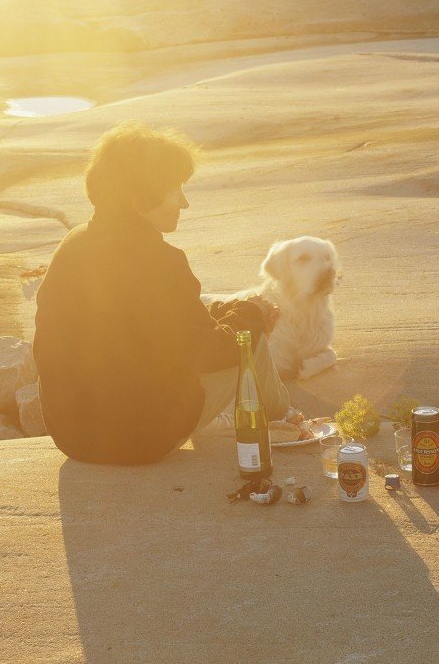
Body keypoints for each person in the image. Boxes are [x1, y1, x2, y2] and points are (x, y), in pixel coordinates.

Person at [33, 121, 291, 465]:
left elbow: (154, 330)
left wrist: (232, 314)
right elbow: (204, 352)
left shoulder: (73, 243)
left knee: (238, 326)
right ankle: (284, 420)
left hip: (73, 436)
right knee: (249, 340)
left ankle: (277, 415)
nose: (184, 202)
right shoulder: (162, 261)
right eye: (176, 188)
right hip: (141, 439)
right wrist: (253, 317)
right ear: (142, 194)